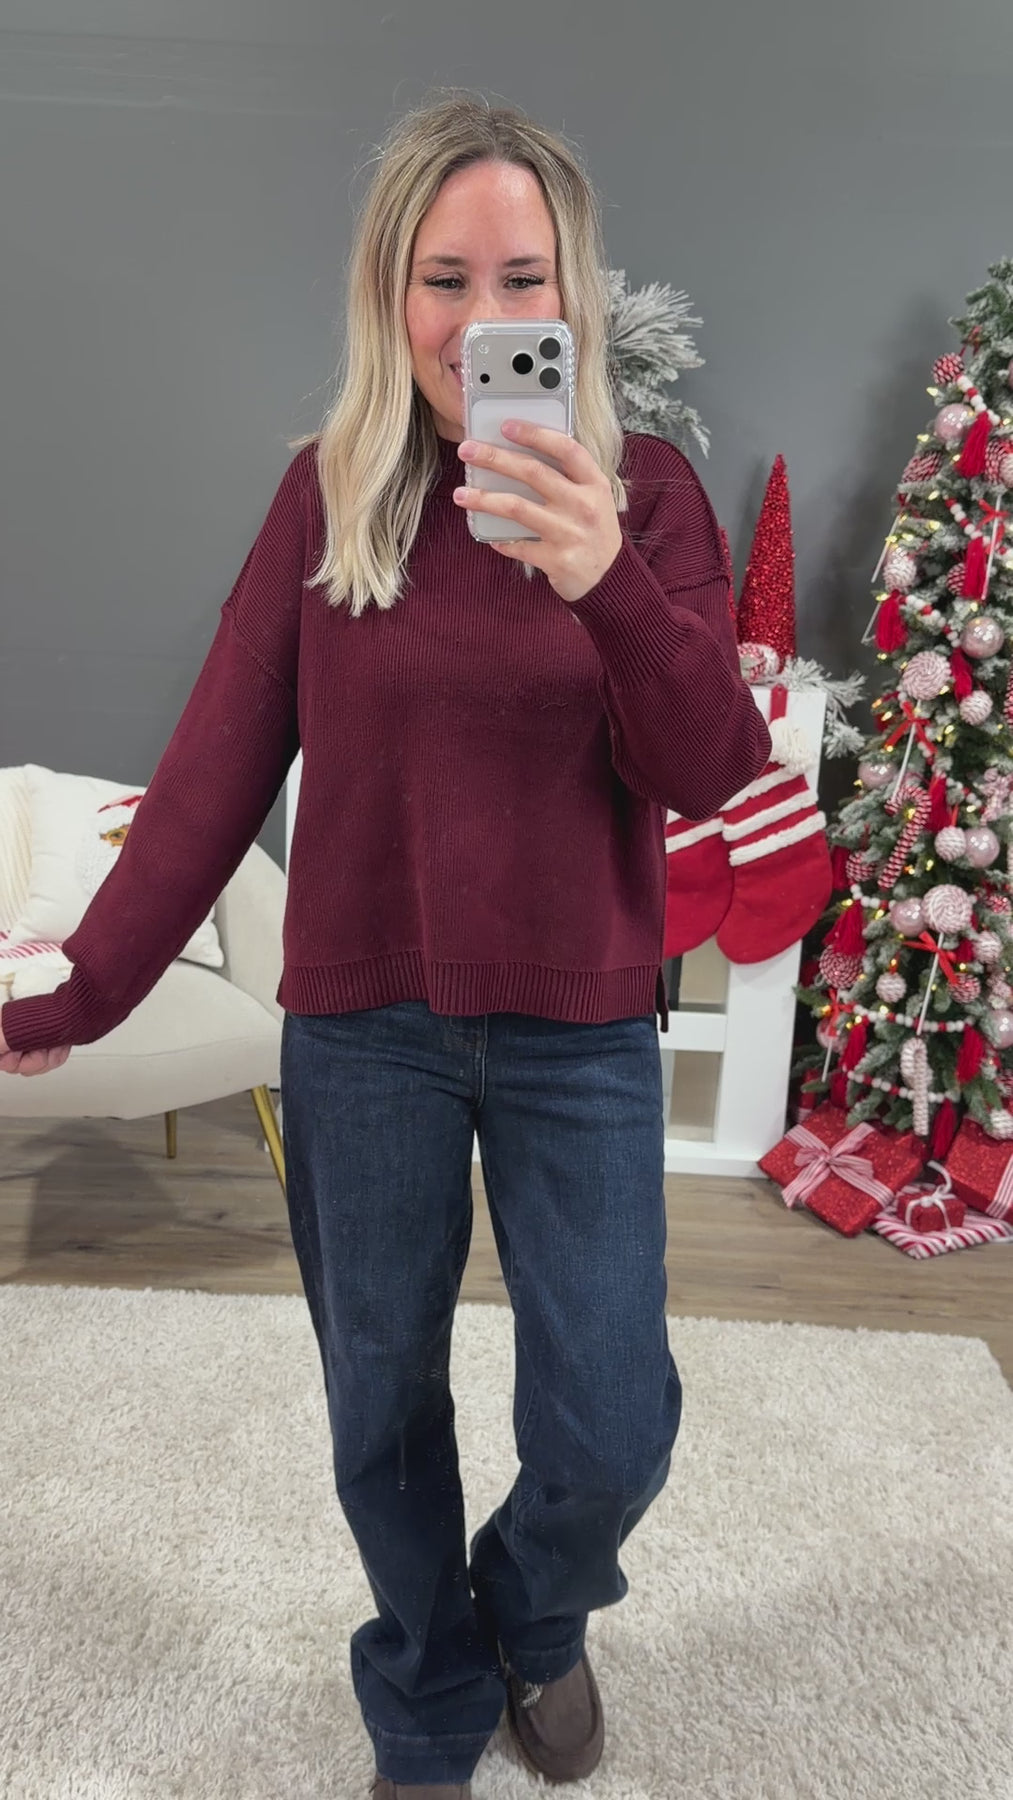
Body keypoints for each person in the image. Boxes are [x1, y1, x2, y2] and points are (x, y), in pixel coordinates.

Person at [1, 92, 771, 1798]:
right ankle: (424, 1693)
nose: (482, 318)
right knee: (379, 1404)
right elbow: (213, 765)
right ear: (389, 293)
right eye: (444, 278)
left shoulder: (645, 496)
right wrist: (88, 985)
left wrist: (601, 578)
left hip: (577, 1029)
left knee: (610, 1420)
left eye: (521, 278)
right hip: (365, 1032)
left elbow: (712, 768)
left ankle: (534, 1620)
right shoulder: (327, 493)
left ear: (570, 292)